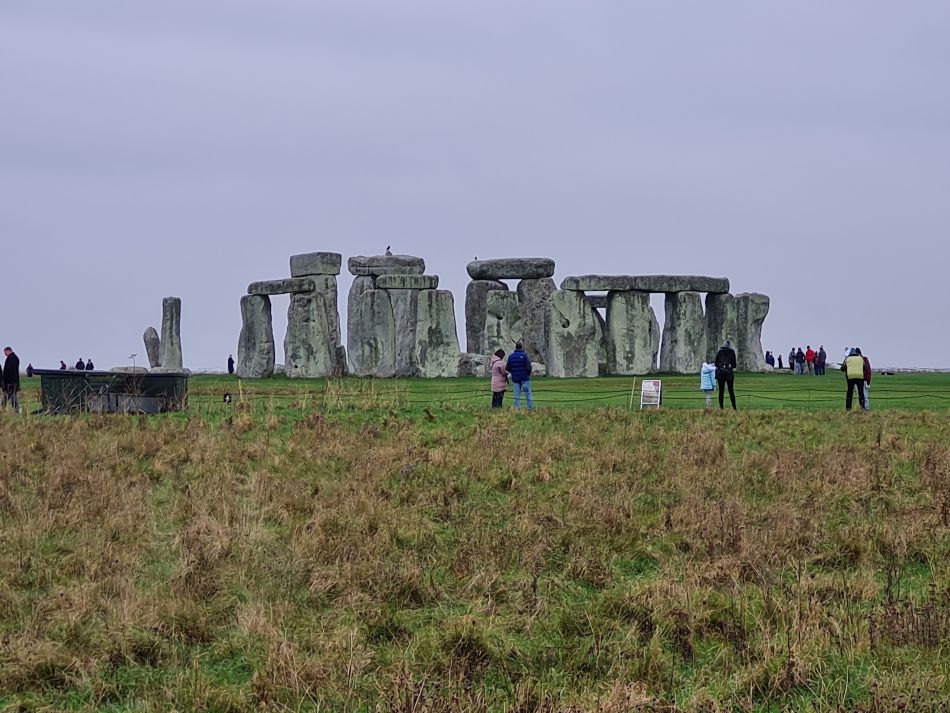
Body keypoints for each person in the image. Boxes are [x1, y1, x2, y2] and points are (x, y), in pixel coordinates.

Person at [506, 342, 534, 410]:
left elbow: (507, 368)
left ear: (515, 347)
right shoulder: (524, 355)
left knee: (516, 395)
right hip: (524, 378)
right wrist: (528, 374)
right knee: (527, 393)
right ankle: (530, 408)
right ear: (521, 347)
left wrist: (513, 372)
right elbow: (529, 367)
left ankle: (517, 408)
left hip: (515, 378)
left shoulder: (511, 356)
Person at [714, 340, 737, 410]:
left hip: (720, 373)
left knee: (721, 391)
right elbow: (734, 365)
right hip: (729, 373)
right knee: (731, 391)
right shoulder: (732, 352)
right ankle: (734, 408)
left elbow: (716, 363)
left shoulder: (719, 352)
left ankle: (721, 407)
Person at [2, 347, 21, 414]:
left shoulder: (11, 359)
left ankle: (17, 410)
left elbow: (9, 372)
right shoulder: (15, 358)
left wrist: (7, 382)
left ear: (8, 351)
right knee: (8, 397)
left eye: (5, 352)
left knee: (13, 397)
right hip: (13, 382)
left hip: (10, 383)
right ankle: (3, 409)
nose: (4, 354)